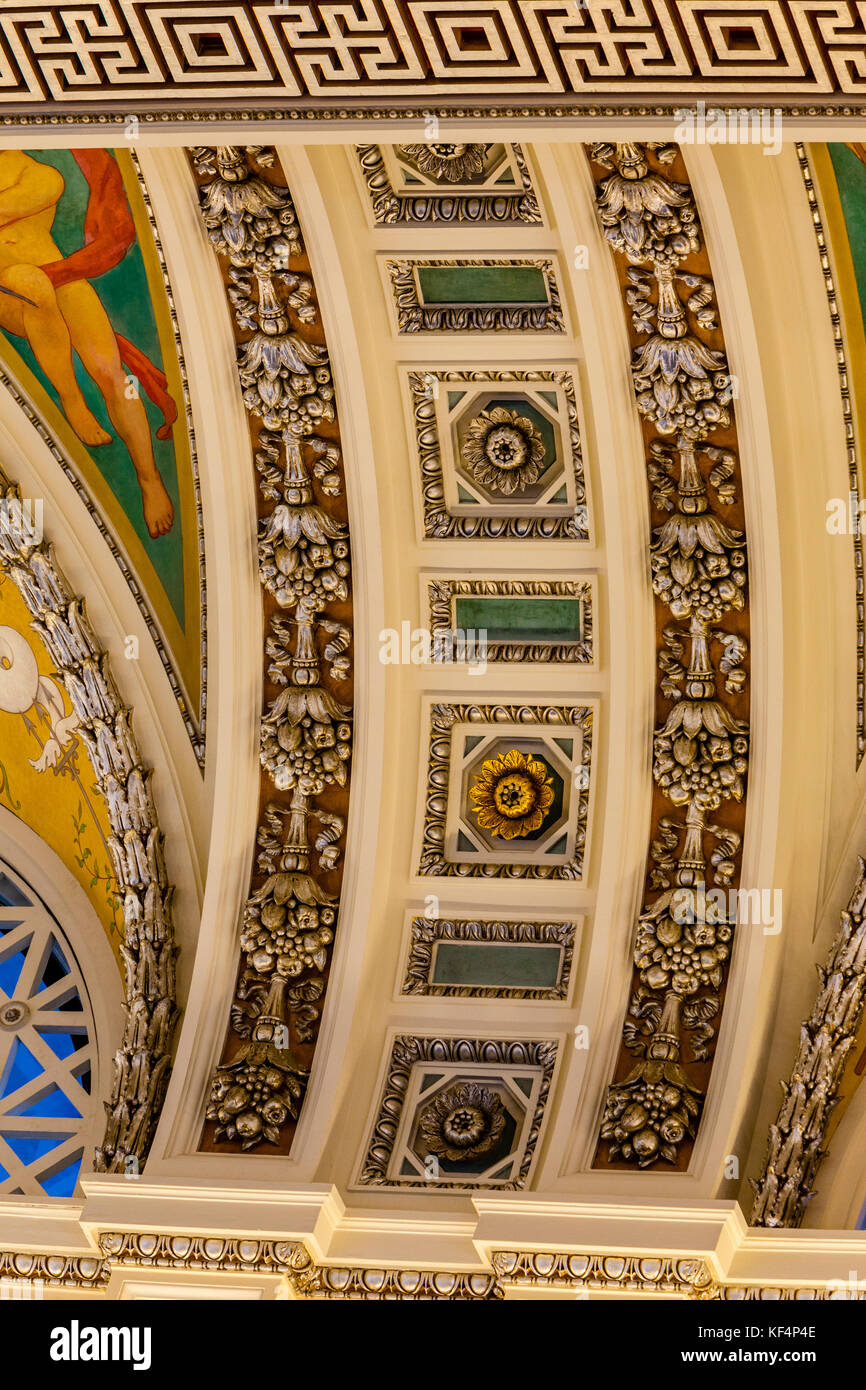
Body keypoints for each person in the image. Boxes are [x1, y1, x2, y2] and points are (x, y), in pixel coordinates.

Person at [0, 149, 174, 538]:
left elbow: (34, 196)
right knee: (31, 282)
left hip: (60, 275)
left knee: (113, 372)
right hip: (10, 291)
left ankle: (148, 478)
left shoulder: (34, 170)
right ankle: (70, 396)